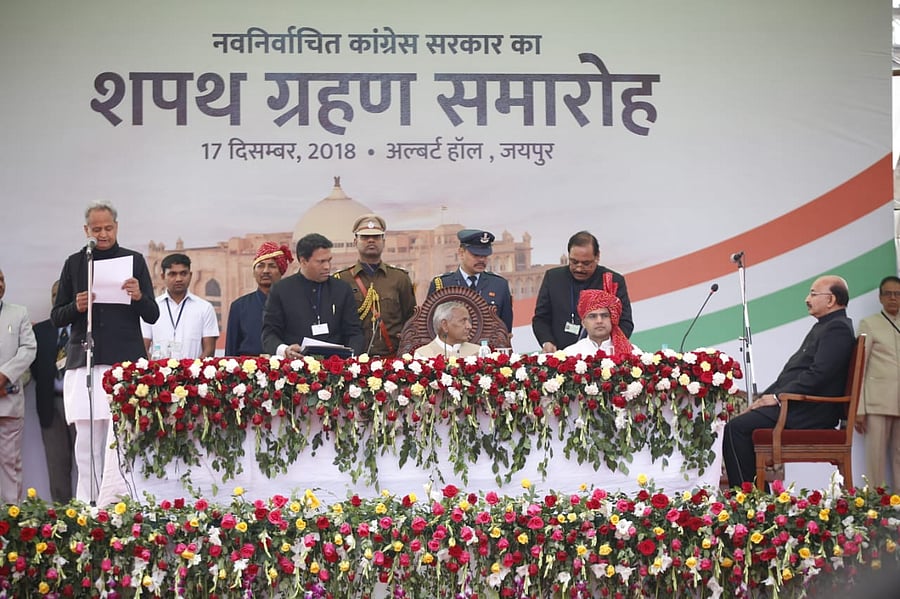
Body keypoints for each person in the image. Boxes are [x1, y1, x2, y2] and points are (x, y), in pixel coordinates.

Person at [51, 200, 160, 502]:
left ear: (117, 227)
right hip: (84, 362)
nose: (102, 234)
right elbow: (57, 316)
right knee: (86, 442)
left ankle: (122, 503)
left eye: (108, 228)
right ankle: (89, 505)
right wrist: (76, 306)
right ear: (86, 230)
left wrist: (138, 296)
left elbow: (152, 314)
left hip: (123, 364)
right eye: (96, 229)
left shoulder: (134, 260)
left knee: (123, 439)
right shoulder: (75, 263)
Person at [723, 275, 855, 487]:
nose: (807, 299)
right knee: (739, 425)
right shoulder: (824, 326)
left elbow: (818, 374)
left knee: (735, 429)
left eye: (813, 294)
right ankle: (756, 499)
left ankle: (749, 499)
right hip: (797, 405)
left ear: (831, 300)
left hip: (810, 411)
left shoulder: (837, 329)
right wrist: (763, 399)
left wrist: (776, 397)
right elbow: (793, 373)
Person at [262, 233, 364, 359]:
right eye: (321, 262)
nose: (327, 266)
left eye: (329, 260)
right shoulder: (281, 290)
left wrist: (352, 357)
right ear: (303, 261)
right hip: (296, 365)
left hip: (337, 364)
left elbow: (354, 332)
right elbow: (269, 334)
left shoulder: (342, 289)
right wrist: (285, 350)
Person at [532, 231, 633, 353]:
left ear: (597, 257)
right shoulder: (553, 278)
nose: (579, 268)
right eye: (574, 262)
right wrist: (547, 341)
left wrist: (608, 348)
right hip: (561, 355)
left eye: (586, 263)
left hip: (601, 356)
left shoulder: (612, 281)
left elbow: (625, 322)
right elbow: (541, 318)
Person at [334, 214, 416, 357]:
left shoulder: (399, 278)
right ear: (355, 242)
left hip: (392, 359)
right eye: (365, 237)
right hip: (354, 360)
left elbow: (410, 319)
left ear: (383, 242)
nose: (371, 240)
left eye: (376, 237)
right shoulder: (341, 279)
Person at [30, 280, 75, 503]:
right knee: (57, 464)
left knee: (89, 461)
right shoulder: (40, 331)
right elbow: (34, 369)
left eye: (62, 294)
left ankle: (92, 514)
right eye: (54, 294)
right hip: (52, 404)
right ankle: (62, 514)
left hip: (79, 403)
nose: (57, 298)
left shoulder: (84, 329)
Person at [855, 275, 900, 487]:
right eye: (888, 294)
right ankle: (875, 503)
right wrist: (859, 408)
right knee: (876, 460)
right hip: (877, 403)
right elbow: (859, 368)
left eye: (897, 294)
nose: (893, 298)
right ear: (880, 297)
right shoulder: (869, 324)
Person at [427, 229, 513, 332]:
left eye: (485, 255)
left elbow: (505, 329)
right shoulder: (442, 284)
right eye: (476, 255)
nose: (481, 260)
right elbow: (430, 326)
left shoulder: (499, 285)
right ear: (461, 253)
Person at [0, 269, 37, 503]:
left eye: (1, 279)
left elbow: (29, 349)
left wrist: (4, 375)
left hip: (8, 402)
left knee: (9, 464)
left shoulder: (18, 312)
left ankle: (10, 519)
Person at [141, 253, 219, 359]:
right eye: (172, 274)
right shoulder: (151, 307)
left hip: (194, 369)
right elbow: (143, 348)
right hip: (159, 368)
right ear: (163, 276)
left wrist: (194, 368)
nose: (178, 279)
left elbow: (209, 350)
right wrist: (157, 368)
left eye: (183, 273)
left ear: (190, 275)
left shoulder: (204, 308)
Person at [225, 241, 292, 356]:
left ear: (281, 271)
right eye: (260, 266)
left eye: (272, 266)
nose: (265, 271)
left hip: (284, 365)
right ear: (254, 272)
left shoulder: (293, 304)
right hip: (247, 366)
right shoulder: (239, 306)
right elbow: (231, 351)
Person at [563, 289, 635, 357]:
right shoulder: (570, 354)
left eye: (604, 315)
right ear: (583, 323)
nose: (599, 321)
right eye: (592, 316)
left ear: (612, 319)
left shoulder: (632, 353)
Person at [414, 301, 481, 358]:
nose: (469, 326)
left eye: (468, 321)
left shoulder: (478, 352)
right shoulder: (423, 355)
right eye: (463, 321)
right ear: (445, 325)